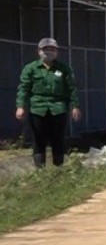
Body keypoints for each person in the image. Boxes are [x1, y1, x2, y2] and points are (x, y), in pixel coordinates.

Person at [15, 37, 81, 168]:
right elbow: (24, 88)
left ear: (57, 51)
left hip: (58, 109)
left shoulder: (63, 69)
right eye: (45, 49)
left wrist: (75, 106)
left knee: (58, 141)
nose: (49, 52)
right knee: (39, 142)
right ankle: (41, 171)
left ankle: (58, 169)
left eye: (52, 49)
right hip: (37, 109)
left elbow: (71, 88)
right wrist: (20, 106)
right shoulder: (31, 68)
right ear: (39, 51)